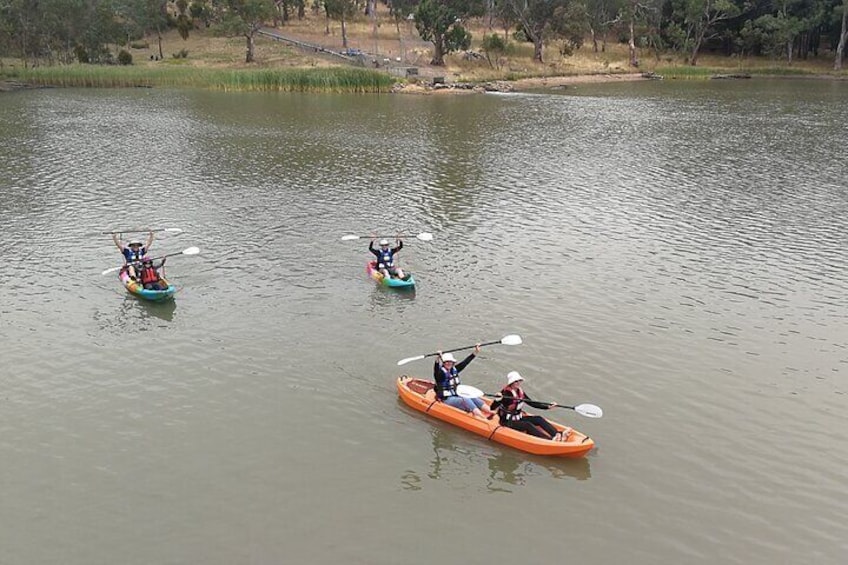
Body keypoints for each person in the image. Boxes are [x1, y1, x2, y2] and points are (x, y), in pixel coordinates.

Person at [489, 371, 571, 441]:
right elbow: (492, 408)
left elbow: (532, 403)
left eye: (519, 381)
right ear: (511, 383)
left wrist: (547, 406)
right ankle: (549, 440)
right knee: (527, 425)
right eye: (516, 381)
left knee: (538, 419)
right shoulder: (505, 394)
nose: (518, 383)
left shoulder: (520, 392)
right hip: (507, 422)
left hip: (518, 418)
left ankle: (557, 434)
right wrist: (497, 400)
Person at [433, 345, 493, 419]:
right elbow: (436, 370)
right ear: (443, 363)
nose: (449, 363)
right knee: (466, 399)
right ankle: (481, 417)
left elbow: (465, 363)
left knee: (472, 397)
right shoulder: (440, 374)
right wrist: (437, 359)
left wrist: (475, 352)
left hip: (456, 395)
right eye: (446, 362)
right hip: (446, 399)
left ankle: (490, 411)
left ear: (453, 363)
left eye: (450, 362)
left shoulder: (454, 370)